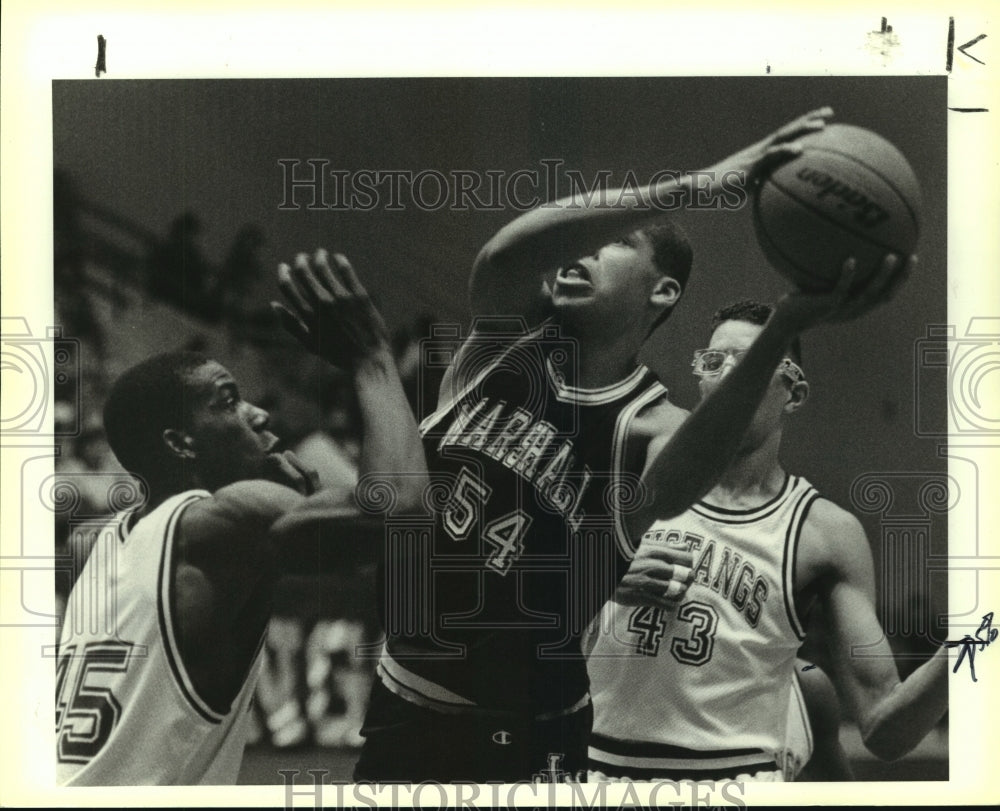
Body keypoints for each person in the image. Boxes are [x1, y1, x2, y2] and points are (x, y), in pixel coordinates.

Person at [283, 109, 912, 783]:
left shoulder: (648, 425)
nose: (577, 252)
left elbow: (688, 470)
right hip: (402, 702)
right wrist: (697, 187)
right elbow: (505, 255)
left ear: (662, 289)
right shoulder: (492, 355)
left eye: (616, 245)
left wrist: (788, 319)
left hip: (531, 735)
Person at [55, 254, 426, 785]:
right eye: (228, 402)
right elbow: (402, 513)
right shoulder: (226, 518)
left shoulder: (92, 543)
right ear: (180, 443)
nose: (258, 412)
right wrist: (372, 358)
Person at [584, 300, 947, 782]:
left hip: (734, 780)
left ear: (793, 393)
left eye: (752, 362)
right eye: (714, 361)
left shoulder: (824, 532)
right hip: (597, 772)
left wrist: (979, 633)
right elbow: (500, 597)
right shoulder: (627, 471)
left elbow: (885, 728)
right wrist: (599, 570)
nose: (727, 376)